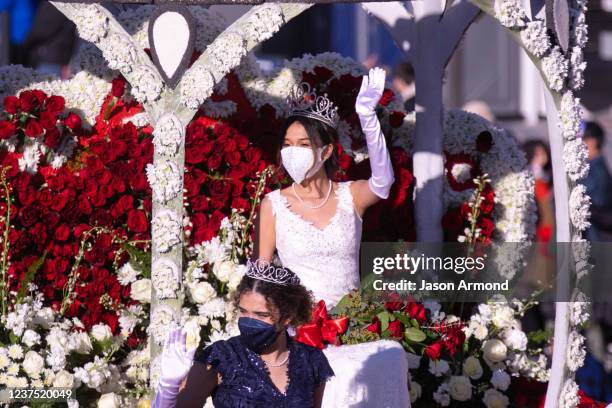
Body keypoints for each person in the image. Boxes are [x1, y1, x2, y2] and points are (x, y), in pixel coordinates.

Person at [255, 68, 410, 407]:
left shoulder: (349, 195)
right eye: (287, 145)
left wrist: (367, 117)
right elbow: (261, 276)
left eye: (302, 145)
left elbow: (383, 182)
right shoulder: (273, 204)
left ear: (325, 152)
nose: (292, 152)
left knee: (390, 356)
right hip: (297, 330)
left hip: (353, 326)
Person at [153, 259, 334, 407]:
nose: (249, 320)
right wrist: (169, 386)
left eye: (261, 315)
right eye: (243, 311)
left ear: (287, 317)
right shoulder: (221, 356)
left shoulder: (311, 360)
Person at [582, 121, 612, 242]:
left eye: (583, 138)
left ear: (593, 141)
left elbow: (598, 203)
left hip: (595, 236)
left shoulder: (597, 170)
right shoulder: (592, 166)